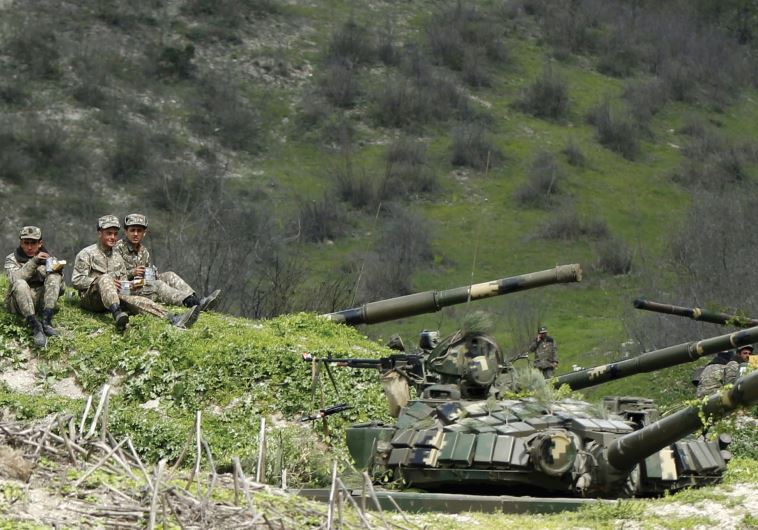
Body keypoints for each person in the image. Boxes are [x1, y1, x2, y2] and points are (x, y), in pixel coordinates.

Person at [72, 215, 200, 331]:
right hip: (91, 299)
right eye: (108, 233)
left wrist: (131, 286)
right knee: (105, 278)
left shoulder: (117, 257)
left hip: (114, 298)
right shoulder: (87, 253)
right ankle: (117, 314)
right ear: (99, 233)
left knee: (136, 299)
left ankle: (173, 318)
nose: (112, 237)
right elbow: (76, 281)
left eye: (115, 234)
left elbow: (122, 283)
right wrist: (101, 282)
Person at [114, 213, 220, 312]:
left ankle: (195, 299)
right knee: (158, 284)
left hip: (140, 285)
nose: (136, 234)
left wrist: (151, 274)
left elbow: (146, 278)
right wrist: (132, 273)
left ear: (144, 233)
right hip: (125, 290)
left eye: (139, 231)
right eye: (132, 230)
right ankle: (188, 302)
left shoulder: (144, 251)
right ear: (126, 232)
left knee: (169, 275)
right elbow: (113, 278)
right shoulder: (117, 249)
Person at [4, 226, 65, 347]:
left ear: (40, 243)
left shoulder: (49, 260)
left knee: (54, 277)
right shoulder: (11, 259)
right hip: (19, 302)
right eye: (26, 243)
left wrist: (57, 273)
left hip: (40, 300)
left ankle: (46, 322)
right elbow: (14, 279)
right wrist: (34, 262)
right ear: (21, 243)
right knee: (20, 283)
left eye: (33, 243)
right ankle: (35, 327)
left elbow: (62, 290)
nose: (29, 247)